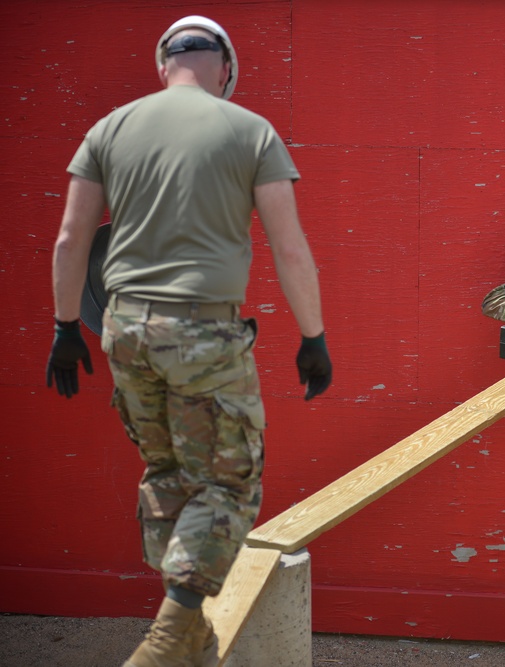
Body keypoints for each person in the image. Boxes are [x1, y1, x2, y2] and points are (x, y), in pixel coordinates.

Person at [44, 15, 332, 667]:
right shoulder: (249, 130)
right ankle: (169, 639)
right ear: (224, 68)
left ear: (162, 65)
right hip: (202, 329)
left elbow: (70, 240)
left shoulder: (109, 130)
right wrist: (313, 337)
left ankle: (194, 626)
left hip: (123, 329)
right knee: (230, 483)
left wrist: (66, 328)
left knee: (170, 469)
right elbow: (289, 247)